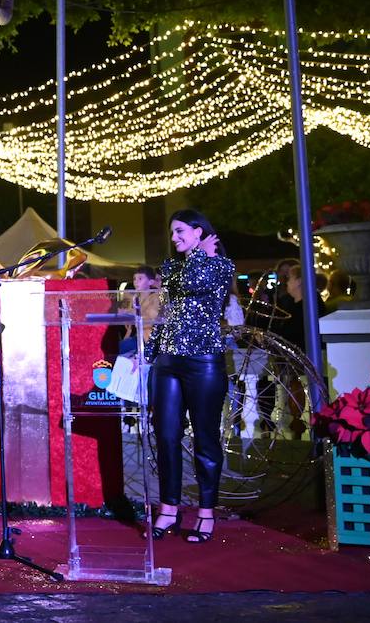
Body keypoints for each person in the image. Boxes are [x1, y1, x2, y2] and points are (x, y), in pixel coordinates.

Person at [147, 209, 234, 544]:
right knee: (166, 435)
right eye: (172, 233)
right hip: (168, 361)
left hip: (204, 362)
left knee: (205, 438)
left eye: (180, 231)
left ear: (199, 232)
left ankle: (206, 513)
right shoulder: (170, 267)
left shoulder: (220, 266)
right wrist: (150, 352)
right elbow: (166, 310)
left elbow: (195, 285)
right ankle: (169, 508)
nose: (174, 238)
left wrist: (204, 257)